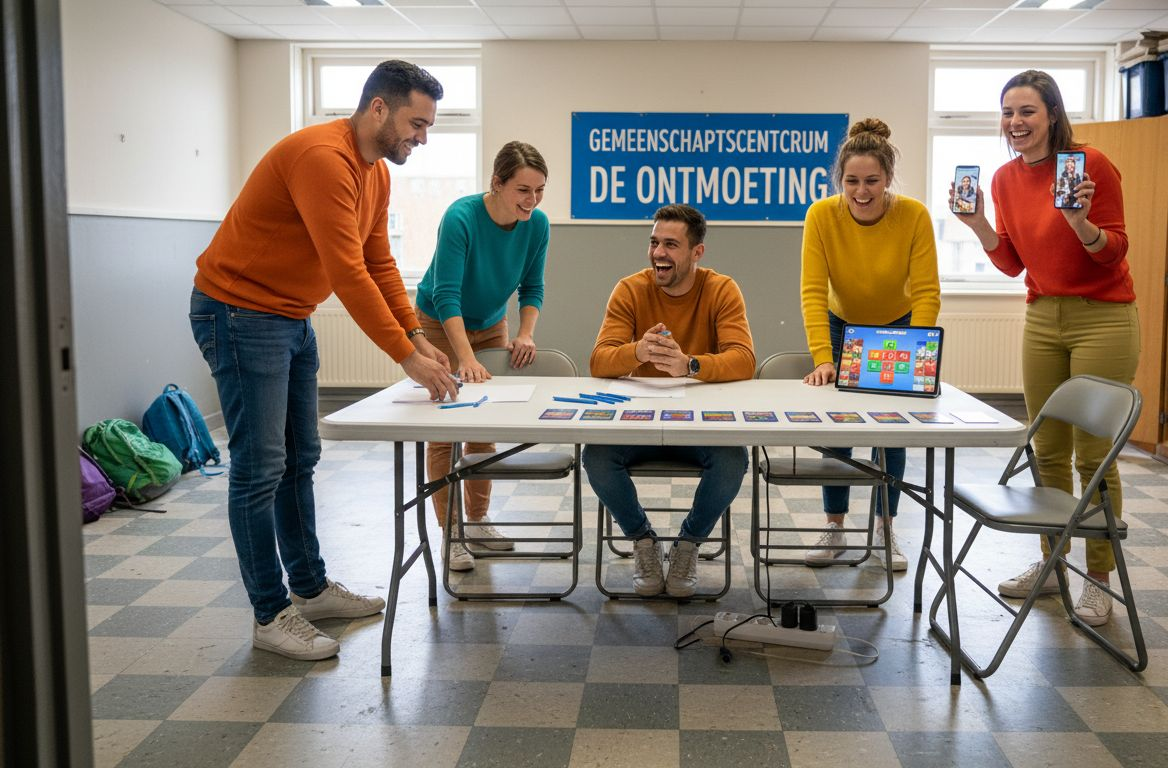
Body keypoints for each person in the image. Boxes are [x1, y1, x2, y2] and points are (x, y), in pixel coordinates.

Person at [190, 61, 457, 660]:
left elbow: (380, 263)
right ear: (379, 109)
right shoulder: (322, 157)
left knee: (299, 458)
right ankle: (269, 613)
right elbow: (346, 273)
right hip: (238, 311)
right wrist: (405, 358)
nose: (422, 137)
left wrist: (415, 333)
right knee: (259, 467)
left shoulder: (375, 174)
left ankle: (309, 589)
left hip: (289, 315)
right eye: (417, 123)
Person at [948, 69, 1138, 627]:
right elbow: (1011, 262)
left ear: (1052, 114)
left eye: (1026, 111)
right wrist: (978, 221)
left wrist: (1079, 222)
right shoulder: (1006, 179)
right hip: (1042, 315)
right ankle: (1053, 563)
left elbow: (1114, 252)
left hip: (1103, 316)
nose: (1015, 123)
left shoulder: (1092, 165)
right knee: (1046, 450)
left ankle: (1099, 579)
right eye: (1007, 113)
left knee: (1093, 455)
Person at [583, 204, 754, 598]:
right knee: (596, 456)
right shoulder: (630, 288)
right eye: (655, 242)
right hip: (639, 422)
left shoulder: (721, 289)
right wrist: (638, 353)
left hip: (700, 423)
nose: (658, 252)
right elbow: (598, 359)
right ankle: (644, 541)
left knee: (733, 459)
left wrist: (688, 364)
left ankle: (688, 545)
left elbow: (744, 358)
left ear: (697, 253)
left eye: (671, 245)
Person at [799, 118, 941, 571]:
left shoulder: (913, 215)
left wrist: (917, 354)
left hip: (898, 326)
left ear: (888, 179)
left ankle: (886, 530)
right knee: (838, 430)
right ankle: (835, 527)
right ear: (840, 179)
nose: (862, 191)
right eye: (852, 181)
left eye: (872, 181)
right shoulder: (822, 214)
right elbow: (812, 291)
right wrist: (824, 357)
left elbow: (926, 292)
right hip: (843, 324)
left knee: (888, 431)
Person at [416, 141, 550, 573]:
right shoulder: (462, 217)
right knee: (444, 428)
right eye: (523, 190)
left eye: (539, 191)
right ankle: (450, 532)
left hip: (492, 322)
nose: (532, 201)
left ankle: (478, 520)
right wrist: (465, 357)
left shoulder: (537, 224)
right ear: (497, 183)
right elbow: (446, 293)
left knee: (483, 426)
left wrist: (526, 334)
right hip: (440, 319)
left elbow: (533, 288)